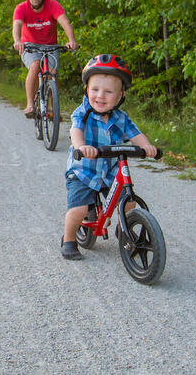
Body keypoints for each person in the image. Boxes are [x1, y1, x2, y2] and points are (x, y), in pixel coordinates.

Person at [61, 54, 157, 260]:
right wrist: (81, 147)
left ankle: (125, 228)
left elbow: (135, 134)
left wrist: (147, 146)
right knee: (78, 209)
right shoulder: (82, 113)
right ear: (87, 90)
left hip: (111, 170)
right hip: (84, 170)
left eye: (108, 91)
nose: (100, 96)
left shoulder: (121, 118)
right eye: (95, 90)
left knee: (129, 203)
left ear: (120, 95)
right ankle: (69, 239)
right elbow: (76, 131)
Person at [12, 0, 78, 118]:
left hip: (51, 46)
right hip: (29, 46)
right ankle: (30, 105)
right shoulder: (21, 8)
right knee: (35, 66)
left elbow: (65, 22)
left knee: (52, 73)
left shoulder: (53, 5)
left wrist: (71, 40)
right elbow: (17, 25)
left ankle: (53, 108)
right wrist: (17, 41)